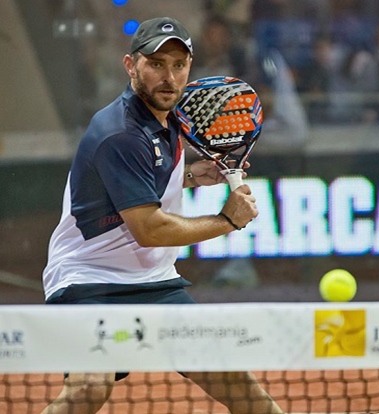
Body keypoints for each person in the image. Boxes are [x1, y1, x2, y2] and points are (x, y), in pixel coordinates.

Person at [40, 17, 284, 414]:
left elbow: (134, 183)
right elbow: (150, 229)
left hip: (154, 282)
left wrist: (187, 176)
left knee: (237, 383)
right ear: (130, 65)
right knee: (89, 387)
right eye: (156, 64)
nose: (169, 77)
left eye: (178, 65)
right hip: (88, 281)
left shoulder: (171, 118)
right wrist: (228, 220)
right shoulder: (119, 132)